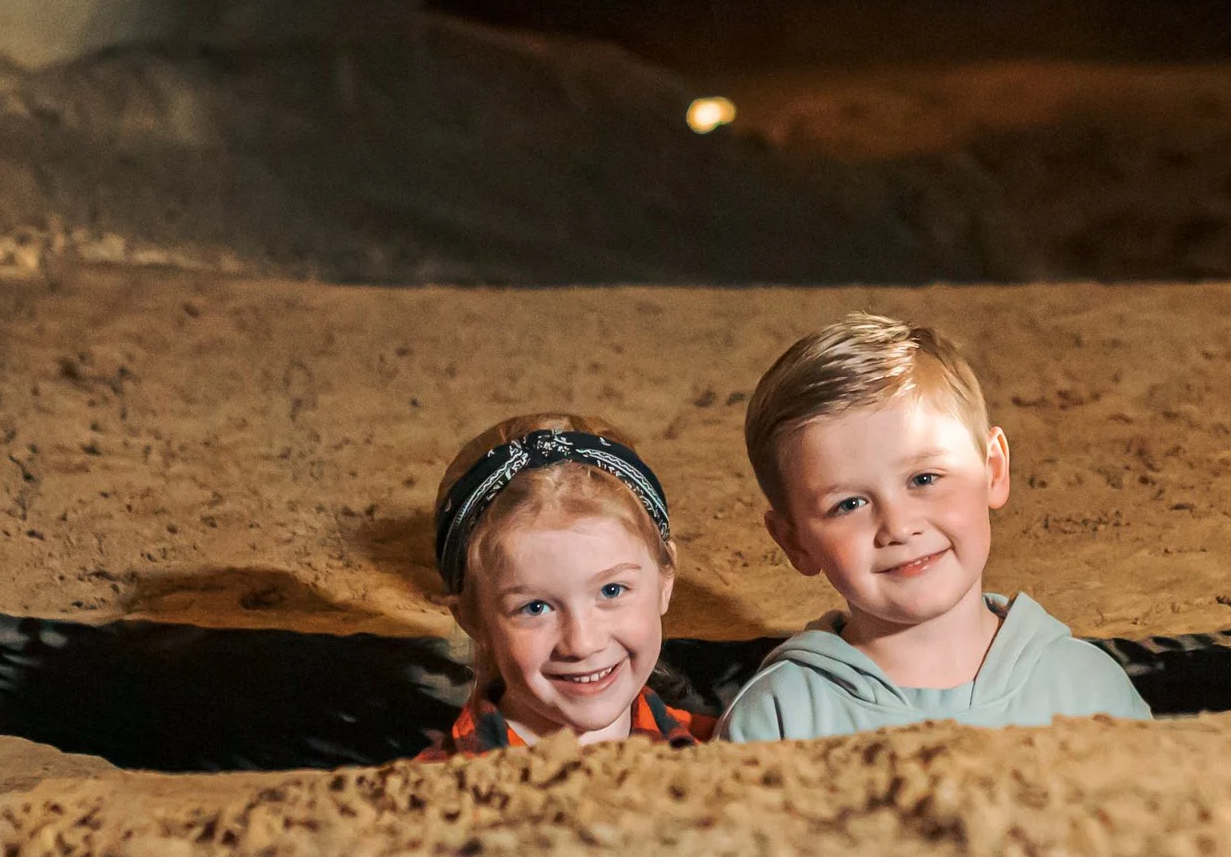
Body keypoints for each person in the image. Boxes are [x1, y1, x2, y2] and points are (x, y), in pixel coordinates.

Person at [719, 314, 1151, 742]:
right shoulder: (778, 719)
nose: (899, 527)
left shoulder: (1091, 693)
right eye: (849, 504)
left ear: (993, 470)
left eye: (923, 479)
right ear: (794, 541)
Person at [419, 414, 714, 760]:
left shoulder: (731, 750)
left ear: (666, 579)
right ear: (470, 617)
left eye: (612, 591)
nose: (582, 644)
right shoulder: (421, 796)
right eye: (535, 607)